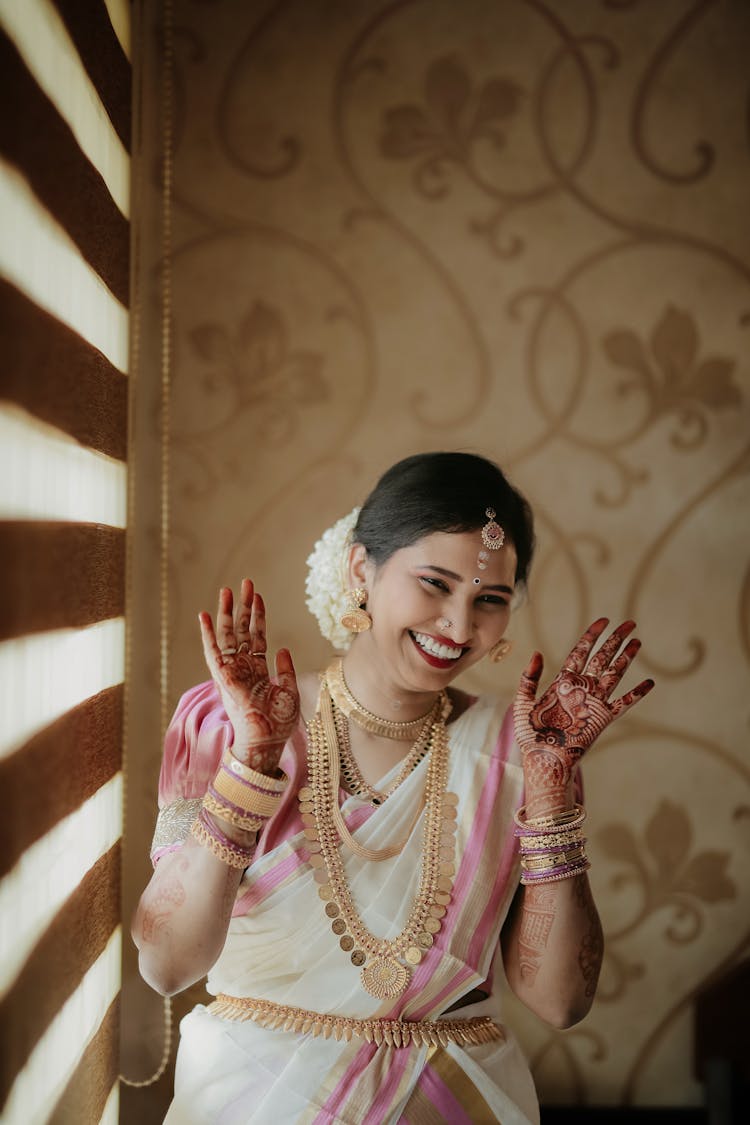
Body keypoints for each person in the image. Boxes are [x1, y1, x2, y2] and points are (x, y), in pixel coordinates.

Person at [132, 451, 654, 1124]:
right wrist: (253, 764)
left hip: (453, 1101)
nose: (460, 626)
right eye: (434, 584)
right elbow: (166, 963)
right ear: (360, 571)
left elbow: (560, 1001)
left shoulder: (523, 750)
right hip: (254, 1098)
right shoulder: (230, 724)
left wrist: (551, 798)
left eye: (489, 599)